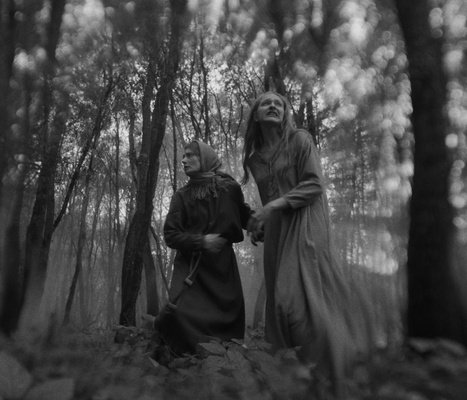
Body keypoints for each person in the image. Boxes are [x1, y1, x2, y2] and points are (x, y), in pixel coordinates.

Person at [243, 91, 373, 382]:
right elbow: (269, 199)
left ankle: (331, 365)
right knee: (279, 305)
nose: (273, 105)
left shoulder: (300, 140)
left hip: (306, 224)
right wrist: (263, 224)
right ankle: (291, 375)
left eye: (279, 103)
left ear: (285, 113)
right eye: (266, 103)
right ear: (256, 116)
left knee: (294, 301)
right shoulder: (254, 160)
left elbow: (314, 184)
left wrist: (272, 207)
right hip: (278, 234)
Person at [158, 140, 252, 356]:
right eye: (183, 156)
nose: (183, 160)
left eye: (190, 155)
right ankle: (183, 363)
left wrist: (263, 224)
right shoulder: (182, 196)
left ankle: (226, 364)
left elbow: (245, 216)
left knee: (228, 318)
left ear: (205, 158)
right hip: (191, 269)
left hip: (222, 270)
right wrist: (201, 242)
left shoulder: (230, 188)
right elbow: (171, 235)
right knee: (180, 315)